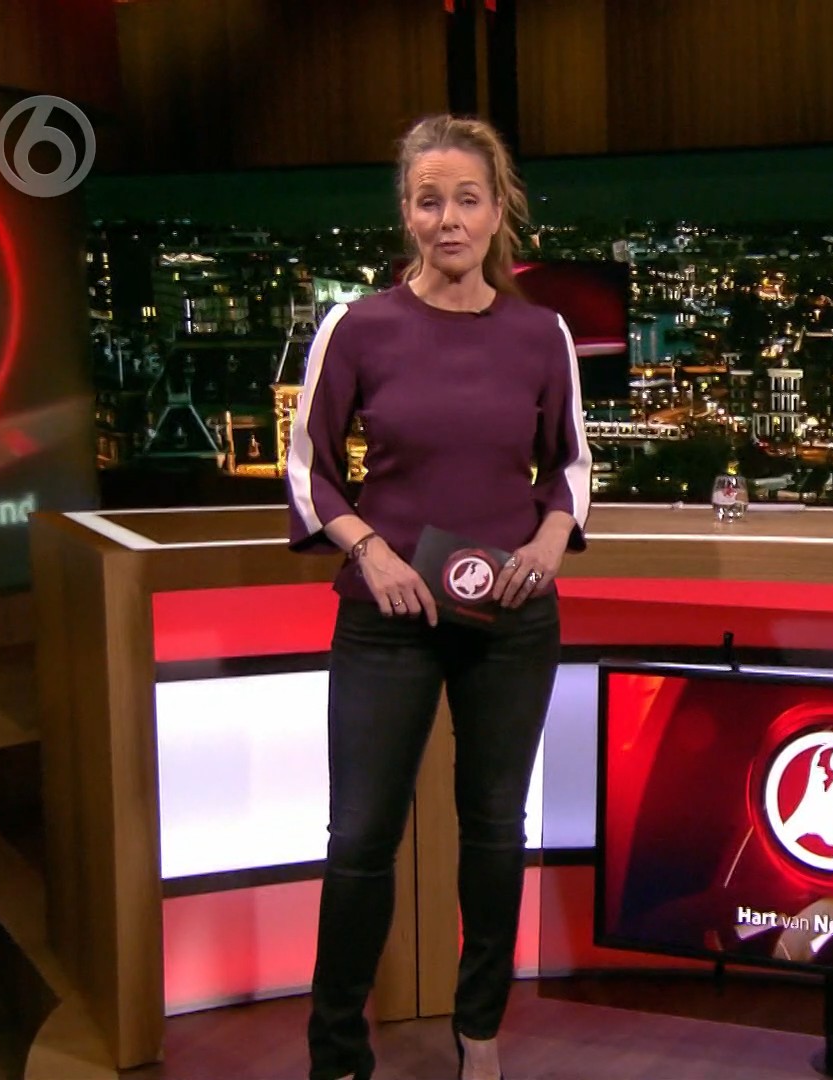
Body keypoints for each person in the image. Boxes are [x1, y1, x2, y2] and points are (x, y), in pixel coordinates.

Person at [284, 113, 591, 1080]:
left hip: (511, 616)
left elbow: (572, 465)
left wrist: (550, 538)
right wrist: (370, 552)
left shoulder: (543, 333)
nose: (449, 219)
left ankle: (480, 1033)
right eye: (429, 201)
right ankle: (338, 1053)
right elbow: (308, 469)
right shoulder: (358, 326)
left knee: (496, 830)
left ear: (498, 213)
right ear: (408, 215)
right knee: (359, 836)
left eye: (467, 200)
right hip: (388, 616)